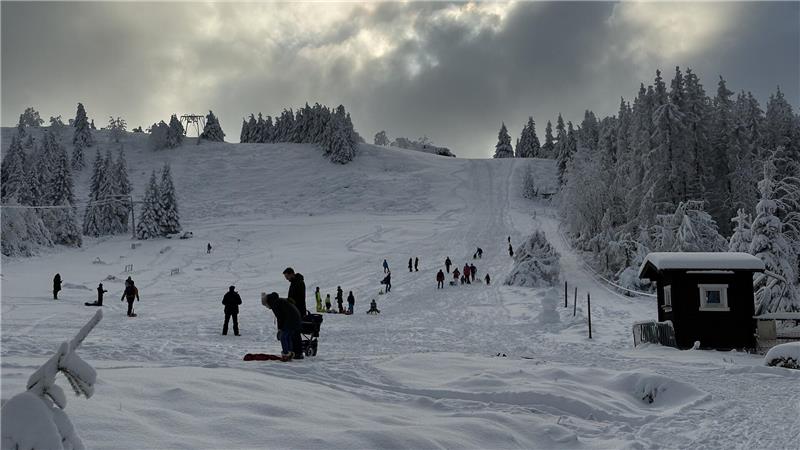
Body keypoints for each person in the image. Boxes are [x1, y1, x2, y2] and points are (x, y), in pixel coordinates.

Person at [261, 292, 301, 361]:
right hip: (296, 319)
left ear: (267, 302)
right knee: (288, 336)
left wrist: (280, 329)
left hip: (290, 319)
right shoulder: (278, 300)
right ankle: (290, 352)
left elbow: (280, 318)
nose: (267, 307)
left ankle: (286, 354)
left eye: (265, 305)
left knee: (283, 337)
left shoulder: (274, 304)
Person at [283, 267, 306, 360]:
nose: (286, 278)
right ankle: (294, 351)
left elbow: (299, 298)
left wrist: (290, 302)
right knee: (293, 332)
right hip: (293, 310)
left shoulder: (299, 282)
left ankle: (299, 353)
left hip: (298, 310)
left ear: (291, 274)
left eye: (287, 276)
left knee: (296, 332)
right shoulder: (294, 282)